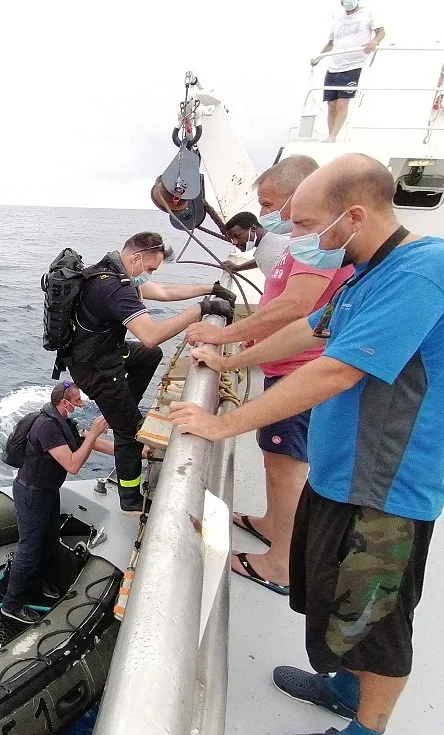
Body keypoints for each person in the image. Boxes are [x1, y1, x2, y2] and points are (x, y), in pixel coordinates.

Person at [170, 153, 444, 735]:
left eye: (304, 225)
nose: (297, 240)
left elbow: (334, 371)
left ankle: (368, 727)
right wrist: (230, 356)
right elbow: (310, 327)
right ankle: (345, 685)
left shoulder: (422, 273)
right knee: (335, 596)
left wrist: (222, 425)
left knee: (380, 619)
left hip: (387, 486)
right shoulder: (370, 270)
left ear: (352, 216)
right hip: (341, 470)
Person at [187, 158, 353, 596]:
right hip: (286, 367)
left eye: (270, 204)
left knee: (287, 470)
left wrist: (230, 349)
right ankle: (271, 525)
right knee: (275, 461)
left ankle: (281, 563)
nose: (271, 217)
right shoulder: (299, 246)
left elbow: (298, 308)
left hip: (300, 373)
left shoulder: (320, 247)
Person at [64, 232, 234, 514]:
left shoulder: (111, 272)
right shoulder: (113, 288)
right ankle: (130, 499)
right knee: (128, 430)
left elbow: (164, 292)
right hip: (97, 370)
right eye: (150, 269)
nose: (149, 276)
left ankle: (122, 407)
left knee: (149, 357)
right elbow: (151, 335)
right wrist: (202, 309)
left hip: (103, 353)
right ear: (137, 258)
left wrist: (211, 289)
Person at [1, 382, 112, 623]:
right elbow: (73, 465)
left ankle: (36, 582)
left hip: (48, 491)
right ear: (64, 403)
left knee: (49, 540)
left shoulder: (64, 424)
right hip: (32, 493)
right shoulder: (47, 428)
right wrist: (93, 433)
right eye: (77, 400)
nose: (81, 404)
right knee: (29, 549)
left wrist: (129, 451)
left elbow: (88, 441)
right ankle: (12, 604)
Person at [311, 1, 385, 142]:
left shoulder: (368, 13)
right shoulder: (338, 17)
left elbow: (381, 31)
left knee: (342, 102)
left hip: (353, 66)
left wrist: (375, 41)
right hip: (334, 66)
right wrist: (318, 57)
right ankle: (330, 136)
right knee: (331, 104)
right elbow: (331, 43)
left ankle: (333, 136)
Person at [222, 211, 290, 276]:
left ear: (253, 229)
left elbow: (268, 258)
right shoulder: (273, 238)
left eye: (237, 236)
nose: (234, 242)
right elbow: (261, 260)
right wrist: (239, 267)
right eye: (232, 239)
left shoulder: (269, 252)